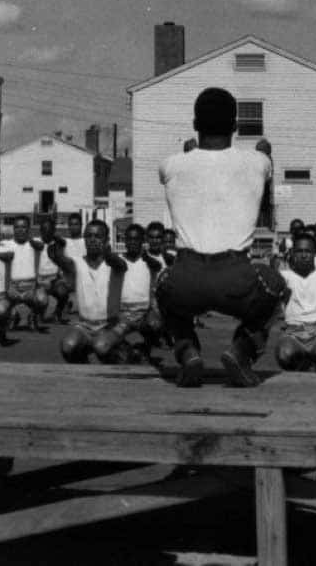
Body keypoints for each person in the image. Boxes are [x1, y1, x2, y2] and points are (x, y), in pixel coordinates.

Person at [155, 87, 287, 388]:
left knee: (162, 284)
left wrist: (189, 154)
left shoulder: (171, 164)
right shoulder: (257, 162)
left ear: (194, 124)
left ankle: (187, 351)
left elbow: (186, 171)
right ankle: (241, 352)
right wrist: (264, 150)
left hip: (186, 277)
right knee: (277, 285)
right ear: (236, 127)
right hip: (235, 277)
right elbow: (265, 161)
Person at [48, 219, 131, 364]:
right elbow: (62, 260)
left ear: (107, 239)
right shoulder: (77, 262)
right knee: (68, 346)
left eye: (98, 236)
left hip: (110, 324)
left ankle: (124, 351)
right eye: (88, 236)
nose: (92, 240)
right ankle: (84, 366)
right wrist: (57, 250)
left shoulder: (115, 263)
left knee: (101, 347)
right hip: (85, 325)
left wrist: (108, 254)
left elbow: (121, 265)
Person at [274, 232, 316, 372]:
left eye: (308, 251)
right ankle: (302, 364)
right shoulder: (285, 276)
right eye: (299, 251)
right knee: (284, 355)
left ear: (314, 253)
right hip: (293, 333)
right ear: (292, 253)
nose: (304, 255)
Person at [116, 224, 167, 356]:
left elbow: (157, 265)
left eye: (136, 239)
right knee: (108, 344)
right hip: (122, 312)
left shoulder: (149, 261)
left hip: (144, 312)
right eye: (129, 239)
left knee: (155, 325)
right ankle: (127, 349)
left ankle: (146, 348)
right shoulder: (118, 260)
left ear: (142, 241)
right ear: (125, 241)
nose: (133, 242)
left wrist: (146, 257)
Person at [0, 216, 49, 332]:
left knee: (43, 300)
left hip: (31, 286)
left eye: (24, 227)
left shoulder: (36, 243)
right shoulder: (5, 244)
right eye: (17, 227)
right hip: (12, 287)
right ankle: (13, 315)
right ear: (13, 229)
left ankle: (33, 316)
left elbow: (40, 246)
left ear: (29, 229)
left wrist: (29, 239)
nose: (20, 230)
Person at [36, 215, 66, 323]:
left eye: (50, 230)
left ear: (54, 230)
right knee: (42, 300)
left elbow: (63, 262)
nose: (47, 232)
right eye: (44, 229)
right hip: (39, 280)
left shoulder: (59, 244)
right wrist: (39, 281)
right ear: (40, 230)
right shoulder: (35, 244)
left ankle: (57, 314)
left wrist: (60, 276)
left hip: (54, 280)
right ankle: (38, 314)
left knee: (63, 291)